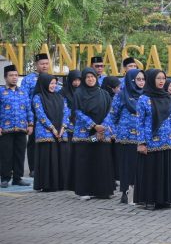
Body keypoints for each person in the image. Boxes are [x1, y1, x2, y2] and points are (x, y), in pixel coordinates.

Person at [135, 69, 171, 210]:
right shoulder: (144, 98)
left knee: (165, 171)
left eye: (163, 78)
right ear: (151, 80)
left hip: (166, 140)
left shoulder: (167, 97)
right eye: (158, 78)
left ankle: (164, 199)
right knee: (150, 172)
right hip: (150, 141)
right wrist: (141, 142)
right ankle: (149, 200)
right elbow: (139, 122)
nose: (161, 81)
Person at [72, 68, 115, 200]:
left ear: (96, 78)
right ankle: (84, 191)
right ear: (84, 79)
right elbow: (77, 112)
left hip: (102, 134)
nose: (90, 79)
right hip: (85, 134)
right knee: (85, 161)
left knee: (102, 161)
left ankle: (102, 191)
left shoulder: (104, 94)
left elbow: (110, 111)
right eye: (87, 77)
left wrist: (102, 128)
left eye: (92, 77)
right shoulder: (79, 93)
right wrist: (94, 126)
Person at [30, 73, 70, 192]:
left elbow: (66, 112)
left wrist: (63, 127)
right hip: (46, 132)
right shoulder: (38, 97)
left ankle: (61, 184)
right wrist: (52, 128)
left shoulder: (60, 97)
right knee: (48, 158)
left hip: (61, 132)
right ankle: (47, 184)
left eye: (55, 83)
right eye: (51, 83)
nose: (53, 86)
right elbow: (40, 114)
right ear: (44, 83)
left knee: (61, 157)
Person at [112, 69, 144, 203]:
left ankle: (139, 194)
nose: (141, 82)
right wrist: (113, 131)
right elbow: (113, 115)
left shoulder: (146, 95)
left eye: (143, 79)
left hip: (142, 137)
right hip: (126, 137)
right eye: (138, 79)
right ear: (131, 80)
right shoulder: (121, 95)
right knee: (127, 166)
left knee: (140, 166)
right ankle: (126, 194)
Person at [0, 64, 32, 188]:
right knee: (6, 155)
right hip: (5, 129)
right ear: (5, 77)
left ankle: (18, 178)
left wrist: (30, 124)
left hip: (21, 128)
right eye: (11, 75)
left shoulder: (23, 93)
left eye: (16, 75)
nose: (14, 78)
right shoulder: (1, 92)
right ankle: (5, 178)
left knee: (19, 154)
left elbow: (29, 109)